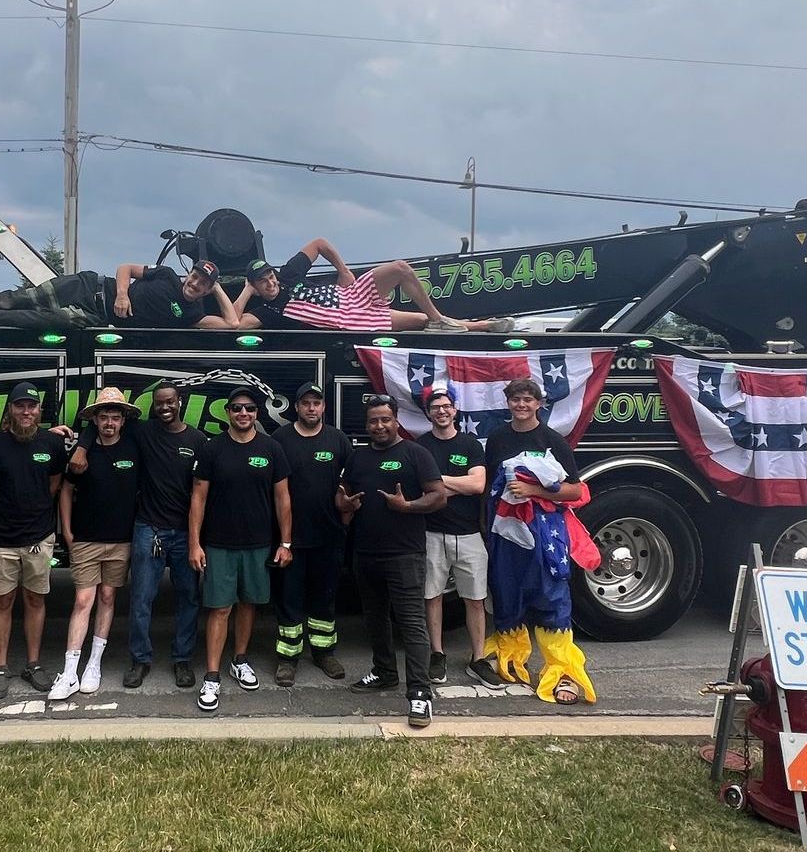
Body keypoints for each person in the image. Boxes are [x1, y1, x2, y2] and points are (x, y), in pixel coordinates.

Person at [480, 377, 595, 704]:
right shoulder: (498, 439)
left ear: (538, 404)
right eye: (516, 399)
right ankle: (512, 657)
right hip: (505, 533)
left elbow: (576, 491)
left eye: (527, 400)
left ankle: (561, 671)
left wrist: (534, 491)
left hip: (545, 534)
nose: (521, 405)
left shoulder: (552, 440)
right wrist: (485, 529)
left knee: (551, 598)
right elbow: (490, 488)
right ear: (508, 402)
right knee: (507, 593)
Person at [337, 393, 448, 729]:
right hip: (366, 553)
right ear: (367, 424)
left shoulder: (416, 453)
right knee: (374, 619)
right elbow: (343, 495)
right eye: (373, 420)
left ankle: (419, 693)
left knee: (411, 623)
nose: (380, 426)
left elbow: (439, 496)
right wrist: (344, 504)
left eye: (385, 419)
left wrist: (408, 507)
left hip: (404, 555)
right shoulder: (358, 458)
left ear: (396, 420)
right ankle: (384, 672)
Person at [188, 384, 292, 712]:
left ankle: (240, 660)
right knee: (220, 608)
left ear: (257, 413)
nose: (243, 413)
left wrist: (286, 542)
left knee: (248, 604)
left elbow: (283, 498)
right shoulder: (211, 449)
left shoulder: (272, 448)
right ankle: (212, 675)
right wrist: (194, 543)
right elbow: (198, 498)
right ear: (227, 413)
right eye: (236, 408)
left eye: (248, 408)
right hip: (218, 544)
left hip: (259, 544)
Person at [104, 382, 207, 689]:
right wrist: (80, 443)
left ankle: (182, 659)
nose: (164, 407)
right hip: (148, 528)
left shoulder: (198, 439)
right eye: (159, 402)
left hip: (184, 532)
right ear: (153, 405)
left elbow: (202, 492)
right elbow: (104, 421)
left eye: (170, 402)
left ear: (180, 402)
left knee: (189, 598)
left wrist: (196, 539)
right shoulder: (142, 431)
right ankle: (140, 660)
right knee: (141, 599)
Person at [0, 381, 69, 698]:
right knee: (2, 601)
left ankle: (33, 664)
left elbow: (54, 485)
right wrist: (8, 510)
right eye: (20, 406)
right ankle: (1, 668)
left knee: (35, 600)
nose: (26, 411)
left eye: (32, 406)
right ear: (10, 409)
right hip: (1, 539)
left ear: (39, 410)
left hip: (39, 539)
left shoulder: (52, 445)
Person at [50, 387, 141, 700]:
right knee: (83, 601)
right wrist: (68, 530)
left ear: (123, 420)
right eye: (104, 417)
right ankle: (69, 670)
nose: (110, 423)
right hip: (86, 539)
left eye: (116, 417)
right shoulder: (81, 455)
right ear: (96, 420)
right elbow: (64, 489)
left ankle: (94, 664)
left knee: (107, 596)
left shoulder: (135, 447)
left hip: (121, 541)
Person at [203, 242, 512, 333]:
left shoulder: (290, 273)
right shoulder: (268, 311)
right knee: (419, 323)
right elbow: (236, 323)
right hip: (348, 321)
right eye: (262, 282)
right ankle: (485, 326)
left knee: (401, 267)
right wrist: (246, 291)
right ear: (256, 285)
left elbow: (320, 243)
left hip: (350, 294)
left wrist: (344, 270)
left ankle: (441, 316)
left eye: (270, 277)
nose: (270, 283)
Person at [269, 381, 350, 686]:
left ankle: (324, 653)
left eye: (316, 403)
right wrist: (281, 539)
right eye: (306, 403)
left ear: (324, 407)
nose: (311, 408)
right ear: (297, 407)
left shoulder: (338, 440)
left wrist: (346, 508)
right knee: (288, 599)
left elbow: (349, 481)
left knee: (324, 599)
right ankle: (288, 658)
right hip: (290, 539)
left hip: (328, 536)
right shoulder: (281, 440)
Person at [414, 384, 493, 687]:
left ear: (455, 410)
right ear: (428, 413)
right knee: (431, 597)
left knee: (475, 600)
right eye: (435, 408)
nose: (441, 411)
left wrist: (438, 482)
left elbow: (477, 486)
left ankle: (478, 658)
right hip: (431, 533)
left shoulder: (471, 445)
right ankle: (437, 653)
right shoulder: (420, 446)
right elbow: (421, 489)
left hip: (469, 534)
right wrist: (454, 484)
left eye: (446, 406)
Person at [0, 260, 236, 331]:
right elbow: (125, 267)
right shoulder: (165, 274)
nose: (195, 283)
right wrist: (122, 295)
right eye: (195, 275)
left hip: (94, 318)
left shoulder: (194, 316)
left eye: (203, 283)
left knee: (30, 319)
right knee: (17, 298)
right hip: (87, 286)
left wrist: (219, 286)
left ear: (207, 289)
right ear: (189, 273)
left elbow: (232, 325)